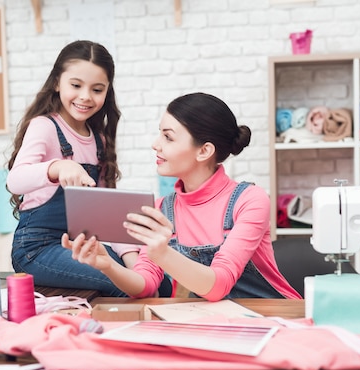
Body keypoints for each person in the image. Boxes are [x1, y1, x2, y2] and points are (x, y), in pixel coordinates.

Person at [63, 92, 302, 300]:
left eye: (168, 137)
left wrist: (163, 253)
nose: (155, 145)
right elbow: (145, 285)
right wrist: (107, 265)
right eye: (160, 134)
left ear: (204, 151)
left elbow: (219, 285)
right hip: (217, 322)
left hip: (275, 314)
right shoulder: (161, 209)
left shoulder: (250, 200)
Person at [6, 40, 138, 297]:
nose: (86, 96)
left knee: (153, 281)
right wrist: (57, 167)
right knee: (120, 285)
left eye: (97, 89)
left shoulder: (98, 140)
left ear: (107, 91)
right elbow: (16, 180)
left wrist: (134, 261)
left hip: (80, 247)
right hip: (37, 249)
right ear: (57, 83)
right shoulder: (45, 126)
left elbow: (107, 214)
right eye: (76, 85)